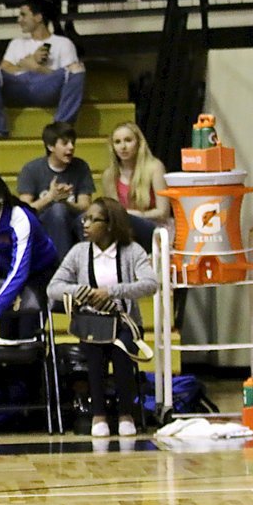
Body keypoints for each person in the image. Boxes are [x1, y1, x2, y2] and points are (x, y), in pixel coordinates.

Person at [47, 198, 158, 437]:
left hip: (124, 321)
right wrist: (81, 293)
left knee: (122, 352)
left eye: (93, 220)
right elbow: (53, 287)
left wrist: (113, 291)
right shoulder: (79, 252)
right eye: (84, 219)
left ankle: (125, 414)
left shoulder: (131, 251)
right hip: (92, 322)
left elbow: (150, 284)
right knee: (94, 354)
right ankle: (98, 415)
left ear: (109, 224)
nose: (85, 224)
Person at [0, 172, 58, 341]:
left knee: (27, 335)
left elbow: (20, 271)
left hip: (38, 272)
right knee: (7, 334)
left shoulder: (20, 220)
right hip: (7, 267)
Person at [0, 0, 84, 139]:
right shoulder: (16, 43)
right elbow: (4, 69)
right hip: (18, 86)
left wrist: (37, 68)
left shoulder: (63, 43)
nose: (19, 20)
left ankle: (60, 129)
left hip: (46, 87)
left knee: (77, 69)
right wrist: (25, 64)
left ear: (38, 17)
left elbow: (67, 78)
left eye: (23, 15)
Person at [19, 121, 94, 259]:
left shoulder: (81, 166)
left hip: (73, 220)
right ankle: (62, 268)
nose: (71, 147)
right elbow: (24, 210)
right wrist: (50, 198)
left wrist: (66, 202)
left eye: (72, 143)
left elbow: (86, 206)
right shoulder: (31, 169)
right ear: (50, 146)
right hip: (44, 223)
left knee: (90, 219)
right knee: (57, 210)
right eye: (65, 143)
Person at [100, 121, 170, 249]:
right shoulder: (109, 175)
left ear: (138, 142)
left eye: (128, 140)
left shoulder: (155, 167)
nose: (123, 147)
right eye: (117, 142)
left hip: (153, 227)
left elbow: (163, 212)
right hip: (124, 230)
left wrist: (132, 215)